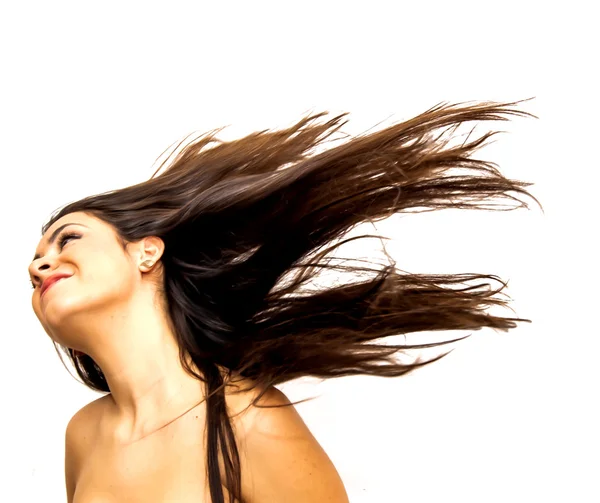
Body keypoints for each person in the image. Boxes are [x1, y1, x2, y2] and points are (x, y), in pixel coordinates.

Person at [29, 99, 543, 503]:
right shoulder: (85, 435)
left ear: (146, 252)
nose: (39, 265)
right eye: (34, 263)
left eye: (67, 239)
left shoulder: (246, 419)